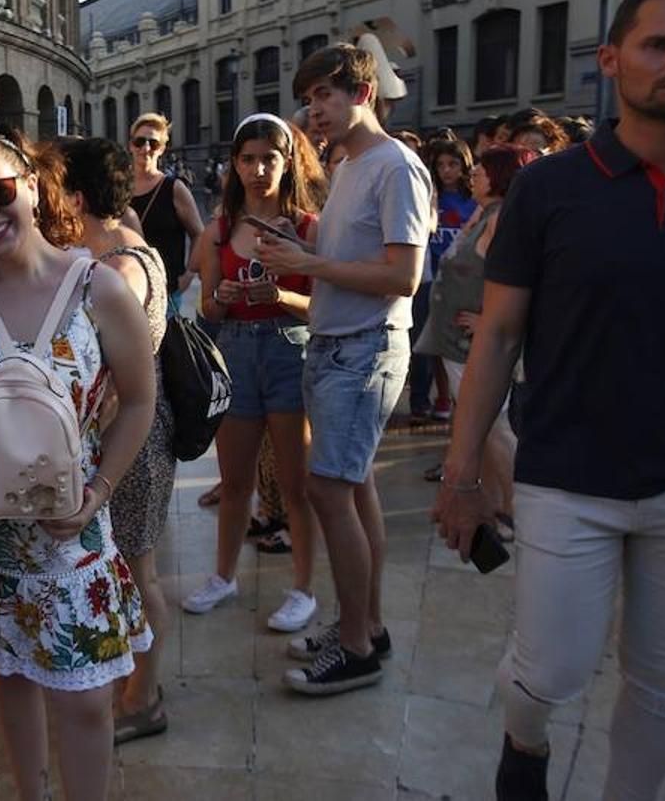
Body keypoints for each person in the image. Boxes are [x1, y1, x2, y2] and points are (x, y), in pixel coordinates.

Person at [433, 0, 665, 801]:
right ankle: (524, 740)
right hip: (567, 474)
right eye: (659, 44)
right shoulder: (551, 187)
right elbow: (499, 335)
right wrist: (463, 480)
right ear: (612, 59)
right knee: (547, 676)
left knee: (663, 687)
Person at [0, 127, 155, 801]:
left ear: (31, 184)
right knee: (12, 672)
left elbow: (140, 402)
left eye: (0, 191)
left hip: (71, 527)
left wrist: (101, 489)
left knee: (86, 698)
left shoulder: (100, 288)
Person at [258, 43, 431, 694]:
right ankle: (367, 625)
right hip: (334, 344)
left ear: (362, 92)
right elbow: (351, 255)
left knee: (329, 491)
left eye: (324, 95)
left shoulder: (395, 167)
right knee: (354, 489)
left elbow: (404, 275)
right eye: (308, 99)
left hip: (363, 351)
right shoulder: (351, 164)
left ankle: (355, 647)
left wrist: (315, 265)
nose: (314, 110)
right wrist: (301, 251)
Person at [181, 114, 326, 636]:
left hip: (291, 354)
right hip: (236, 353)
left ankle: (304, 588)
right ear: (234, 165)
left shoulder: (309, 228)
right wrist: (221, 298)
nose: (258, 169)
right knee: (236, 479)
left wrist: (281, 295)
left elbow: (325, 307)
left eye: (269, 158)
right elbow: (208, 309)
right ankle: (223, 576)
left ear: (288, 163)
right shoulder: (219, 230)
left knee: (295, 482)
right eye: (248, 159)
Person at [58, 136, 177, 744]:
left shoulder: (119, 268)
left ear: (74, 195)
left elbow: (111, 384)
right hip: (126, 436)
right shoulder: (112, 249)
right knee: (133, 563)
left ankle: (145, 698)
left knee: (139, 567)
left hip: (130, 440)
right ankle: (133, 684)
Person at [417, 143, 537, 531]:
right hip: (456, 342)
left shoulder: (502, 218)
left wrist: (488, 320)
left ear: (500, 177)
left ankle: (520, 508)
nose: (474, 175)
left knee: (496, 425)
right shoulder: (484, 213)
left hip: (475, 346)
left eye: (481, 171)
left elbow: (519, 280)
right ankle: (497, 501)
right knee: (482, 428)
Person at [411, 138, 475, 425]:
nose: (447, 170)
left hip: (464, 283)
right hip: (433, 280)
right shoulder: (430, 196)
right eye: (440, 165)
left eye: (453, 164)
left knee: (463, 342)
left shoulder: (473, 200)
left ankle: (466, 398)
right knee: (436, 343)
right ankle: (443, 395)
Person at [128, 112, 204, 316]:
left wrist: (189, 275)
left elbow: (199, 233)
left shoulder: (174, 188)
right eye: (139, 141)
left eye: (153, 143)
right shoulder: (120, 189)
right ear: (131, 146)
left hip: (165, 293)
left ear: (161, 149)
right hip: (127, 290)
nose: (145, 148)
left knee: (164, 347)